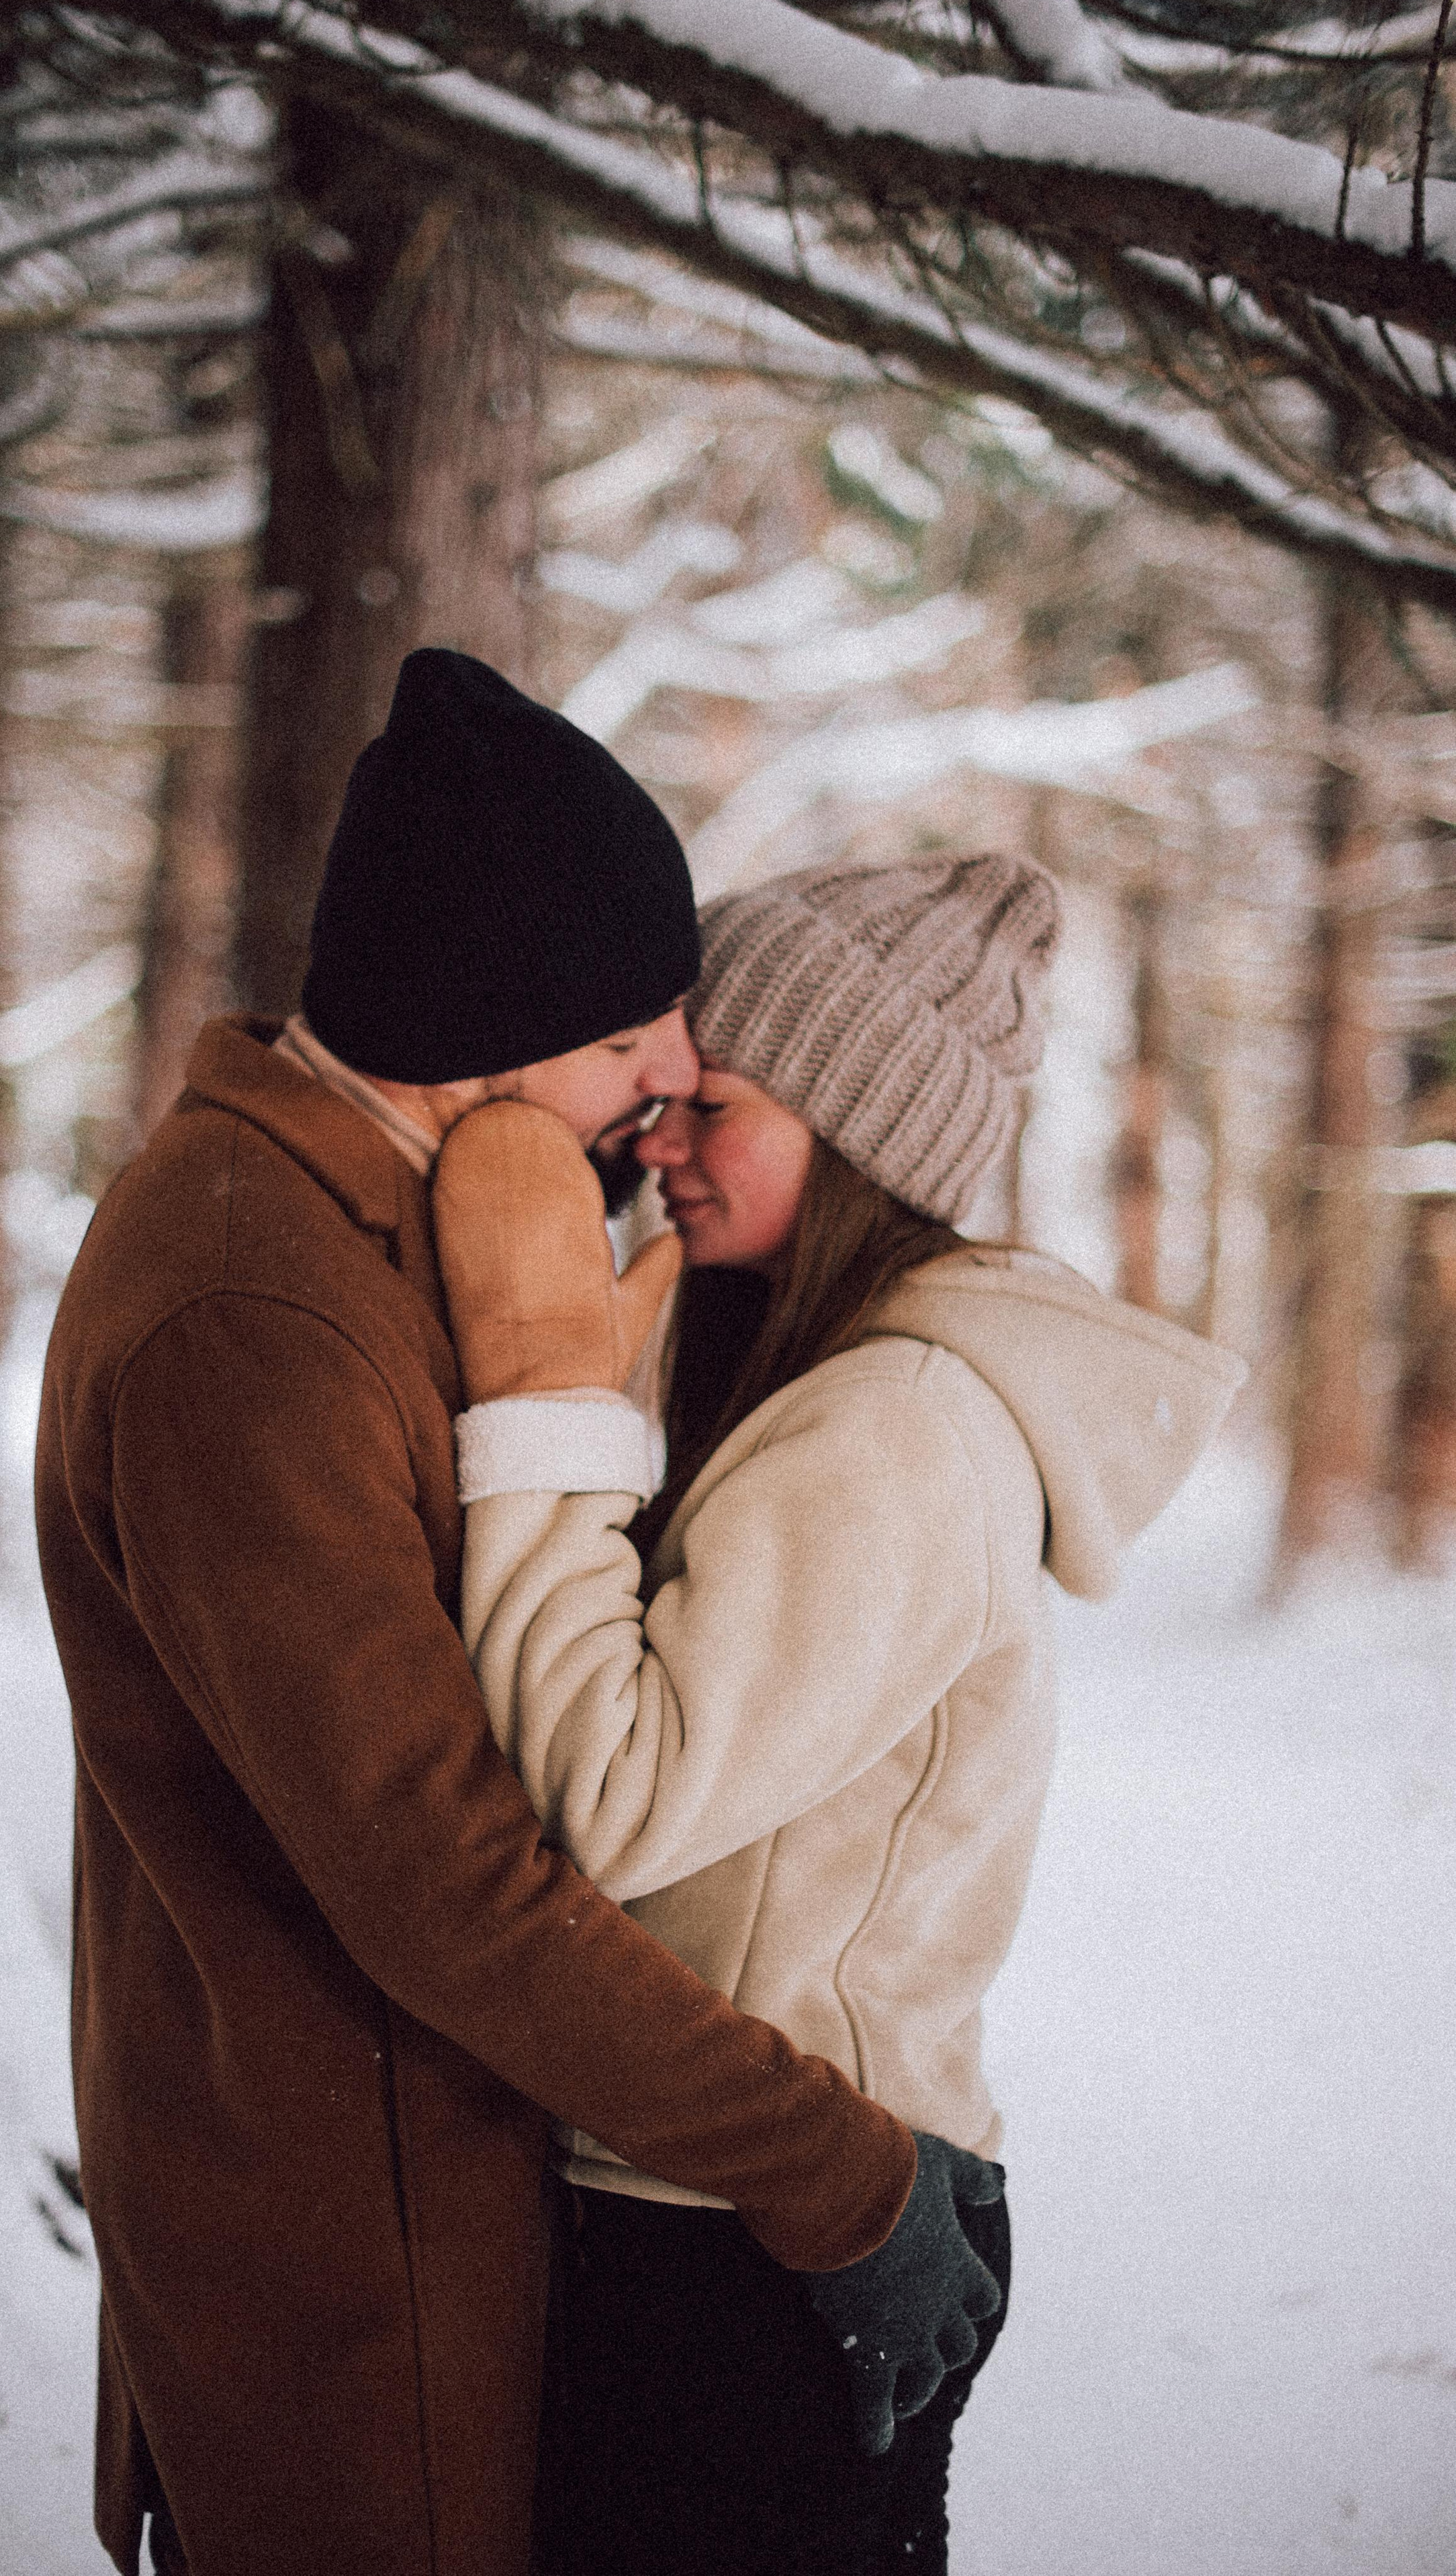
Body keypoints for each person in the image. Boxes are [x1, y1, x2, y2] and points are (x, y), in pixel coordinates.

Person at [35, 654, 989, 2576]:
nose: (671, 1075)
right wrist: (828, 2166)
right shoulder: (255, 1312)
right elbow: (442, 1880)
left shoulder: (361, 1236)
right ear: (487, 1019)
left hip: (421, 2227)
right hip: (344, 2290)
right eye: (635, 1030)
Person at [430, 851, 1248, 2576]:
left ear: (857, 1130)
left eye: (712, 1103)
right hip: (762, 2199)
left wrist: (542, 1407)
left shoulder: (893, 1428)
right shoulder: (839, 1388)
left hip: (759, 2230)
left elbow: (612, 1791)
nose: (656, 1135)